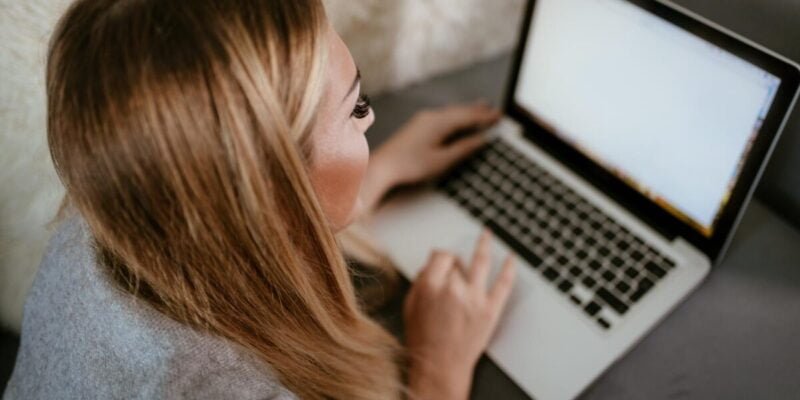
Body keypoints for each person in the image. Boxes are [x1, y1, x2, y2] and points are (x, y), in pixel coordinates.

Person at [4, 0, 516, 399]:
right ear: (269, 194)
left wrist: (372, 175)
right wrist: (438, 367)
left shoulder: (99, 221)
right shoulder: (223, 387)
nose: (373, 119)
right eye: (355, 107)